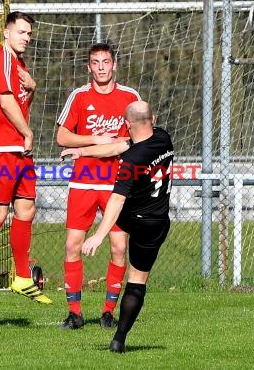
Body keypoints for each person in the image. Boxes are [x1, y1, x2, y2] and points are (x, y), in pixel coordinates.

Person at [61, 101, 174, 353]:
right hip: (156, 220)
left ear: (126, 124)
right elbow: (119, 145)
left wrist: (99, 236)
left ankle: (116, 334)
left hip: (137, 218)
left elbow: (117, 198)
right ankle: (118, 337)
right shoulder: (163, 138)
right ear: (152, 119)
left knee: (134, 278)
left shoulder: (131, 160)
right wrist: (83, 152)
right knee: (136, 279)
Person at [0, 11, 51, 313]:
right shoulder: (1, 60)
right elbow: (5, 102)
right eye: (21, 32)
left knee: (27, 207)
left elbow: (19, 98)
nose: (26, 37)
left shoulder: (18, 64)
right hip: (0, 148)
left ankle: (21, 276)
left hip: (19, 150)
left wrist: (33, 86)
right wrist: (27, 131)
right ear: (6, 32)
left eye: (29, 33)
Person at [56, 42, 141, 329]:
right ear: (88, 66)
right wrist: (95, 140)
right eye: (96, 62)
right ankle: (75, 312)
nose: (102, 67)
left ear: (114, 64)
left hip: (118, 184)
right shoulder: (79, 96)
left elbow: (135, 140)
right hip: (83, 183)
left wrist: (113, 145)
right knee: (72, 245)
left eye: (106, 61)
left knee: (118, 246)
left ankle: (108, 312)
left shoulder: (130, 97)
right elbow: (63, 137)